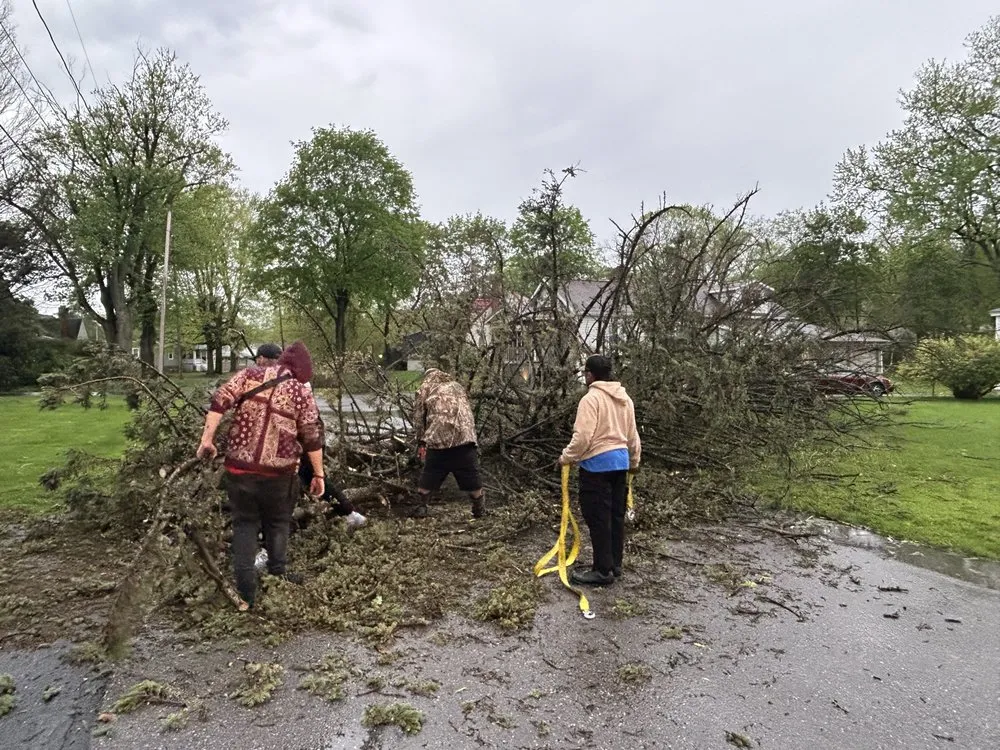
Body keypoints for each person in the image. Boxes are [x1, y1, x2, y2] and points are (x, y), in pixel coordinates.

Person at [196, 340, 324, 608]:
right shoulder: (301, 391)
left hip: (239, 468)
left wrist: (207, 440)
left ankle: (246, 591)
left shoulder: (249, 374)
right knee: (278, 522)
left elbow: (219, 401)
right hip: (279, 473)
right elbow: (312, 436)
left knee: (244, 524)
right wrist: (319, 475)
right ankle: (277, 571)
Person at [558, 354, 641, 586]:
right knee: (615, 516)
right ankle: (614, 564)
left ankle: (602, 571)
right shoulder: (625, 399)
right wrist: (634, 462)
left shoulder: (591, 399)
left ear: (590, 375)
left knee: (598, 518)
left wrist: (566, 457)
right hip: (621, 464)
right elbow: (633, 436)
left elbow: (583, 437)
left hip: (597, 466)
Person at [412, 367, 485, 518]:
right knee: (471, 476)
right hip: (465, 438)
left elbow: (419, 417)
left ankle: (422, 507)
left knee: (430, 475)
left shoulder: (425, 388)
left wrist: (420, 441)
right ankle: (479, 509)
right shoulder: (456, 386)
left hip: (439, 440)